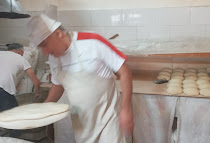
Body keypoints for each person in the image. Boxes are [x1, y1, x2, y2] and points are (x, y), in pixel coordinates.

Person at [27, 14, 133, 143]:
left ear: (58, 34)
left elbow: (125, 72)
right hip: (82, 125)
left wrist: (125, 108)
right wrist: (44, 108)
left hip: (108, 121)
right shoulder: (54, 58)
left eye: (45, 44)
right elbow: (57, 85)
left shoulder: (93, 42)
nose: (44, 52)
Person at [0, 43, 41, 137]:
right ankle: (13, 140)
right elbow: (34, 80)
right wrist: (37, 91)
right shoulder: (20, 58)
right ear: (20, 51)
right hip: (0, 89)